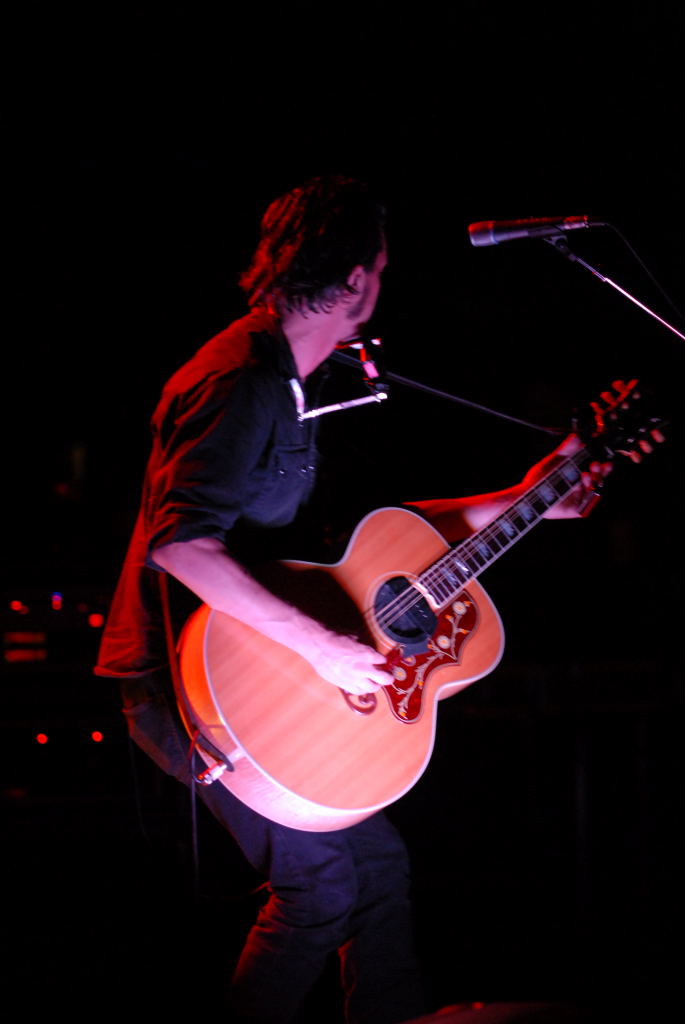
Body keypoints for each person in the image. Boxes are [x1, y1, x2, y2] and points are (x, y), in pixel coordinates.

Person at [95, 174, 606, 1024]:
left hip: (253, 664)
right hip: (180, 683)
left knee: (375, 871)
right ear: (359, 278)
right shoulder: (238, 381)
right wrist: (323, 647)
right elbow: (179, 546)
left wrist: (525, 499)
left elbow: (381, 545)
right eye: (383, 267)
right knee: (320, 887)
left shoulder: (288, 378)